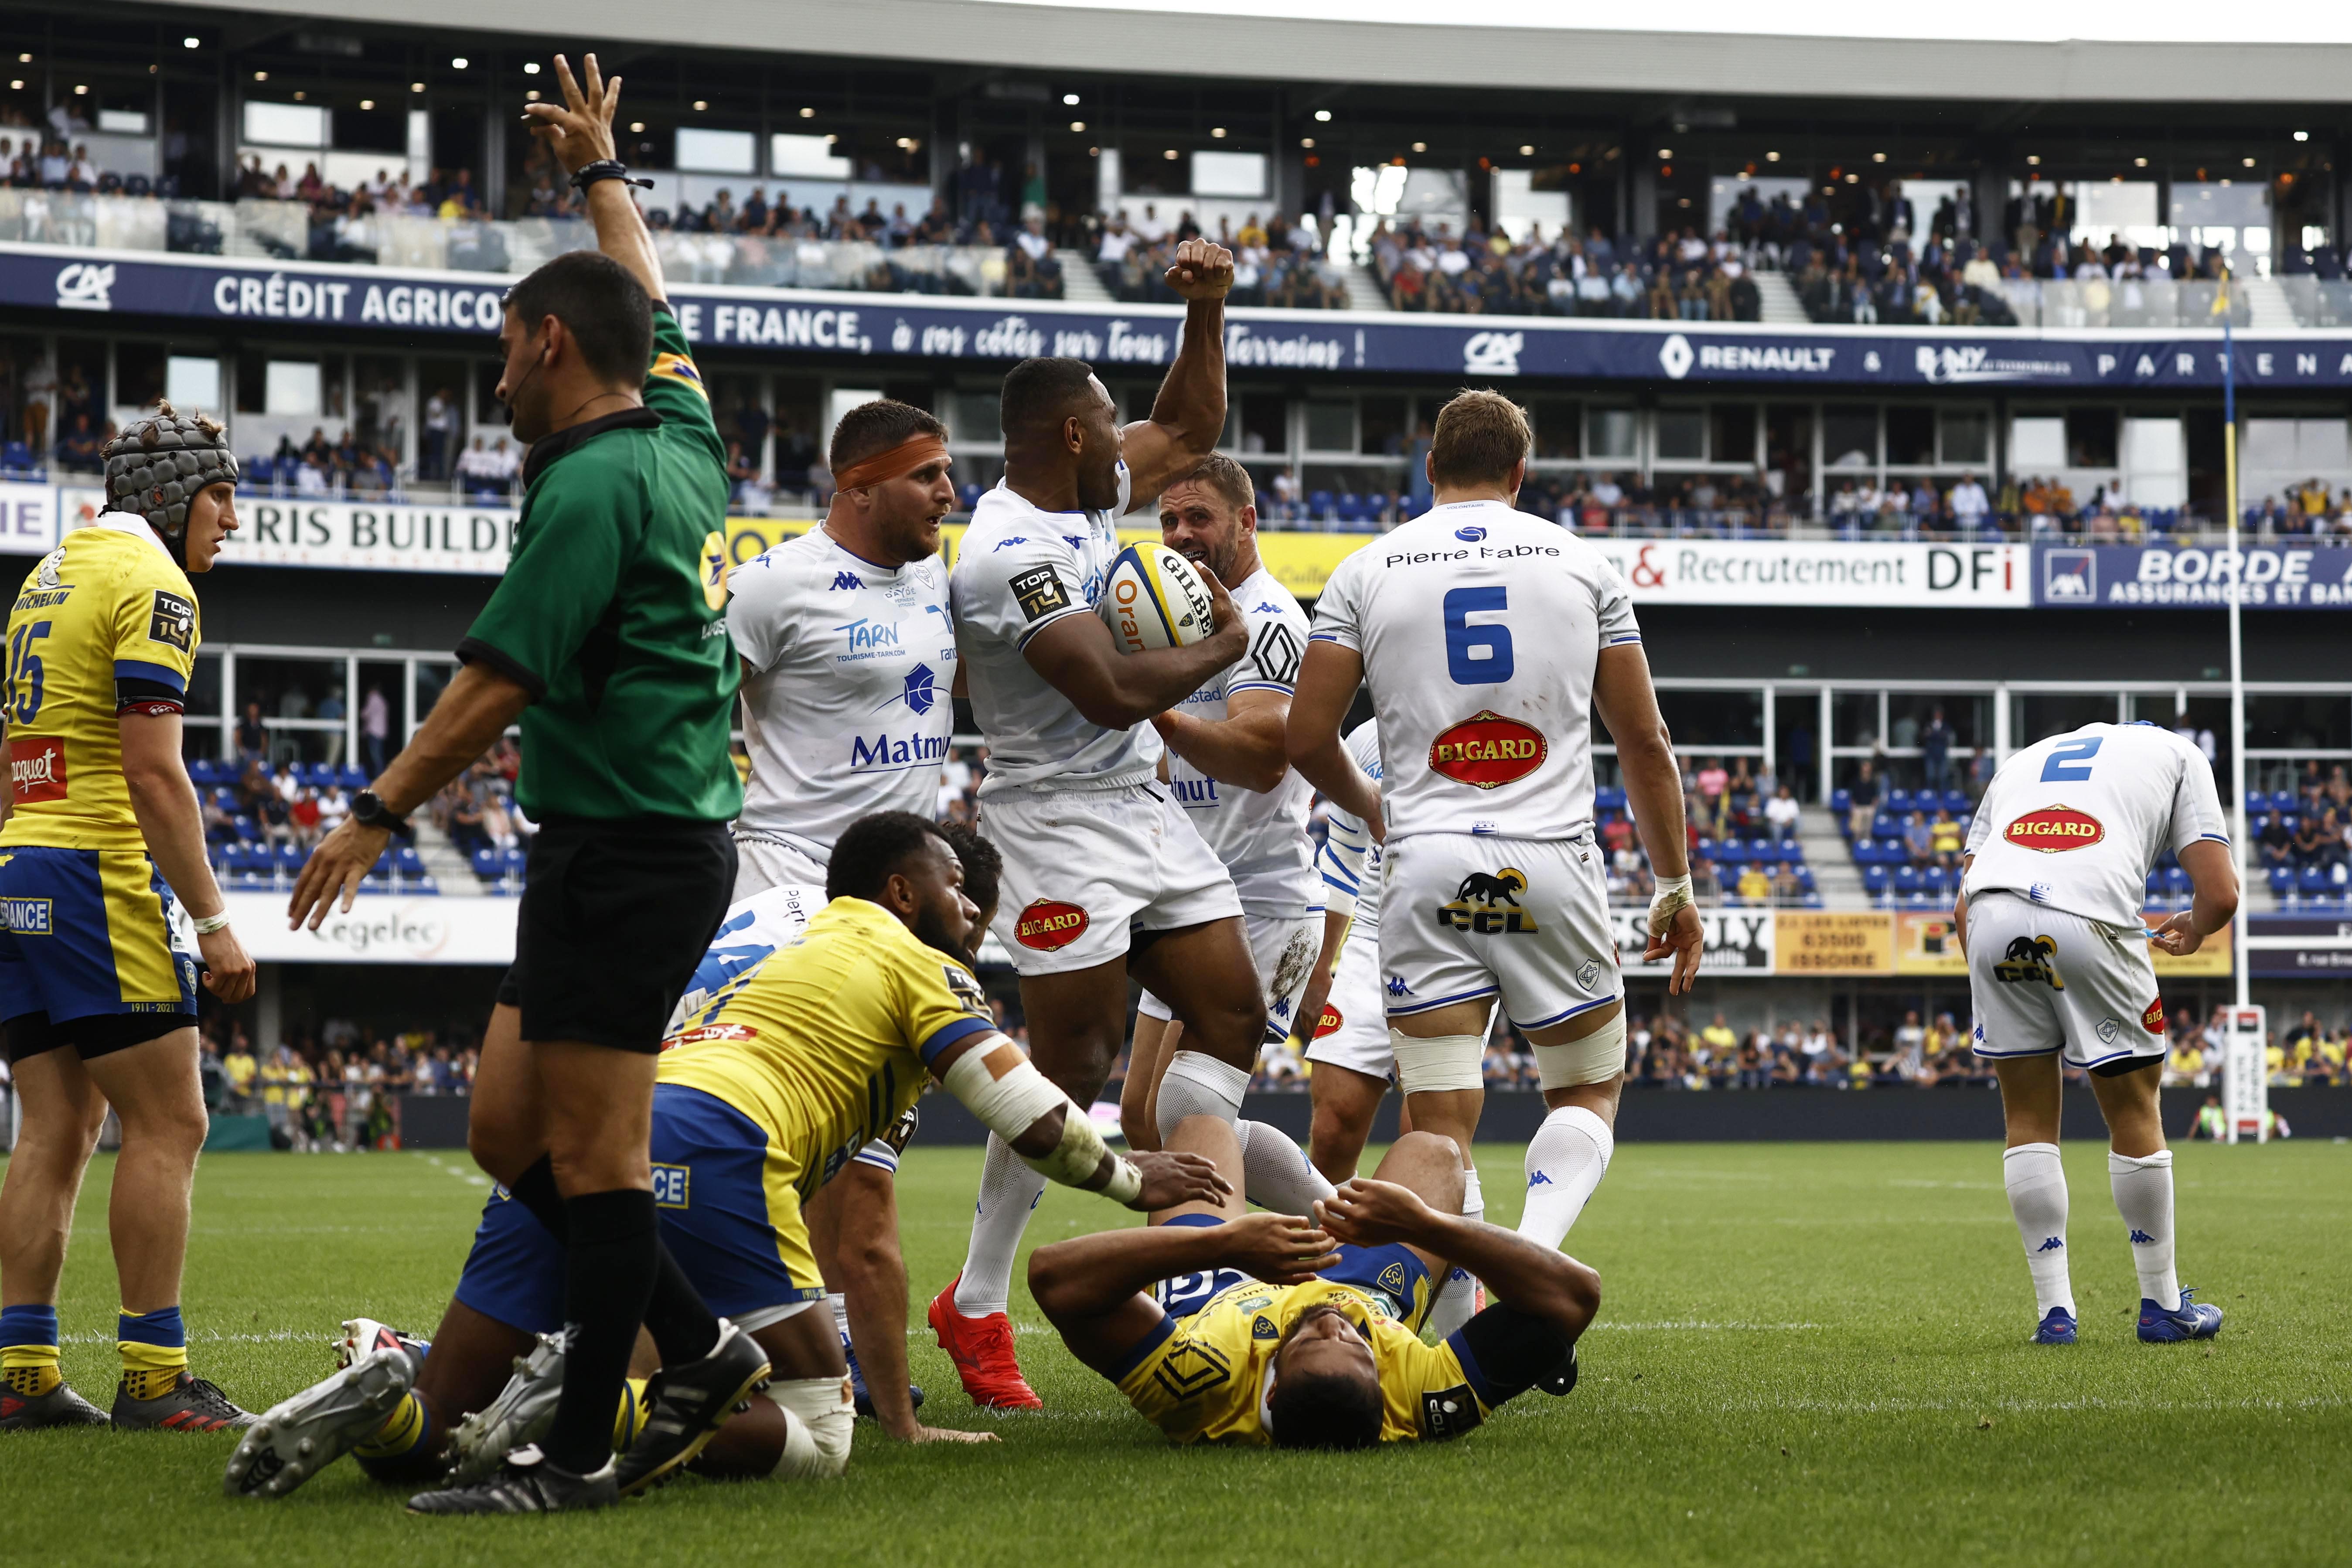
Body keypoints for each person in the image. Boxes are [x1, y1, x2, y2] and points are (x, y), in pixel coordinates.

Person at [231, 815, 1219, 1499]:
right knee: (817, 1429)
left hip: (592, 1141)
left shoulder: (773, 941)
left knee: (436, 1438)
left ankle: (395, 1387)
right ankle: (595, 1409)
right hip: (718, 1145)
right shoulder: (923, 967)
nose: (974, 912)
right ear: (900, 890)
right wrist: (1132, 1178)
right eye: (957, 889)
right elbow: (1021, 1107)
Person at [288, 55, 750, 1514]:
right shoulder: (679, 432)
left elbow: (497, 683)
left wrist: (372, 813)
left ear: (547, 343)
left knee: (598, 1154)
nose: (495, 376)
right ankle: (701, 1344)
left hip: (631, 846)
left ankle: (581, 1453)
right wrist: (602, 170)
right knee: (504, 1131)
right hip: (616, 843)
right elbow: (649, 299)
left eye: (504, 348)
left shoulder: (588, 484)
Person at [931, 238, 1260, 1412]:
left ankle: (1196, 1232)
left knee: (1233, 1012)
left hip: (1138, 803)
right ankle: (975, 1299)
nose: (1132, 437)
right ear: (1071, 434)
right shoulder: (1009, 550)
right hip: (1054, 819)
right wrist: (1221, 646)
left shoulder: (1089, 495)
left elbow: (1194, 419)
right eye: (1111, 421)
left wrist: (1208, 309)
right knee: (1068, 1060)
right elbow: (1109, 691)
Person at [1288, 389, 1703, 1277]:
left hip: (1423, 862)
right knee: (1587, 1086)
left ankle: (1430, 1314)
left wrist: (1372, 805)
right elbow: (1644, 741)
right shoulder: (1583, 565)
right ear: (1522, 474)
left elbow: (1304, 736)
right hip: (1549, 857)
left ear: (1430, 469)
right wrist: (1675, 884)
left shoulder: (1368, 567)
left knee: (1438, 1127)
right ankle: (1533, 1252)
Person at [0, 403, 258, 1432]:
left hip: (23, 860)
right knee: (174, 1119)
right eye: (222, 495)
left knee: (56, 1125)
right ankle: (155, 1376)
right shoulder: (153, 583)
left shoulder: (46, 575)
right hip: (96, 868)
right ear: (170, 496)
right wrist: (216, 917)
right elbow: (155, 775)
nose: (232, 520)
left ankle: (19, 1371)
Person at [1029, 1113, 1597, 1448]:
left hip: (1221, 1291)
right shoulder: (1419, 1394)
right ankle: (1338, 1215)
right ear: (1384, 1384)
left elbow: (1054, 1278)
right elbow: (1577, 1295)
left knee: (1203, 1124)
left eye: (1310, 1343)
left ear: (1271, 1387)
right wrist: (1426, 1226)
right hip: (1360, 1287)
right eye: (1359, 1347)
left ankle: (1323, 1215)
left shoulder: (1199, 1387)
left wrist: (1224, 1243)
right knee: (1434, 1153)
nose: (1334, 1325)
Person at [1958, 720, 2238, 1346]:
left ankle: (2055, 1313)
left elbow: (1961, 902)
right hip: (2091, 914)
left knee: (2026, 1117)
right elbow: (2219, 896)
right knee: (2135, 1112)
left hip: (1989, 918)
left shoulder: (2022, 758)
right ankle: (2161, 1306)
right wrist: (2191, 928)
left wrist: (1993, 975)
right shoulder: (2178, 751)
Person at [1119, 455, 1327, 1205]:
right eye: (1168, 519)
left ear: (1246, 521)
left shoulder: (1266, 619)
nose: (1178, 534)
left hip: (1256, 902)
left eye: (1197, 517)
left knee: (1185, 1119)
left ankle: (1219, 1281)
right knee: (1143, 1117)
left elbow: (1263, 761)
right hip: (1188, 893)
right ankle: (1340, 1225)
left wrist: (1151, 711)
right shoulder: (1174, 622)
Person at [724, 399, 956, 896]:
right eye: (924, 475)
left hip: (898, 885)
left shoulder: (930, 571)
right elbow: (683, 703)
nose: (948, 494)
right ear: (861, 489)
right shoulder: (774, 582)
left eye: (946, 472)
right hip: (791, 873)